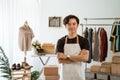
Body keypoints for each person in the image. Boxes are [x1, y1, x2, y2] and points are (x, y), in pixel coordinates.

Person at [56, 15, 89, 80]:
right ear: (65, 26)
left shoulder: (84, 41)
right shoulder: (61, 41)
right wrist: (78, 58)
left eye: (74, 24)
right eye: (69, 24)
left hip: (79, 75)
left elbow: (85, 58)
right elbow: (60, 60)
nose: (72, 26)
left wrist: (67, 56)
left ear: (77, 25)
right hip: (65, 76)